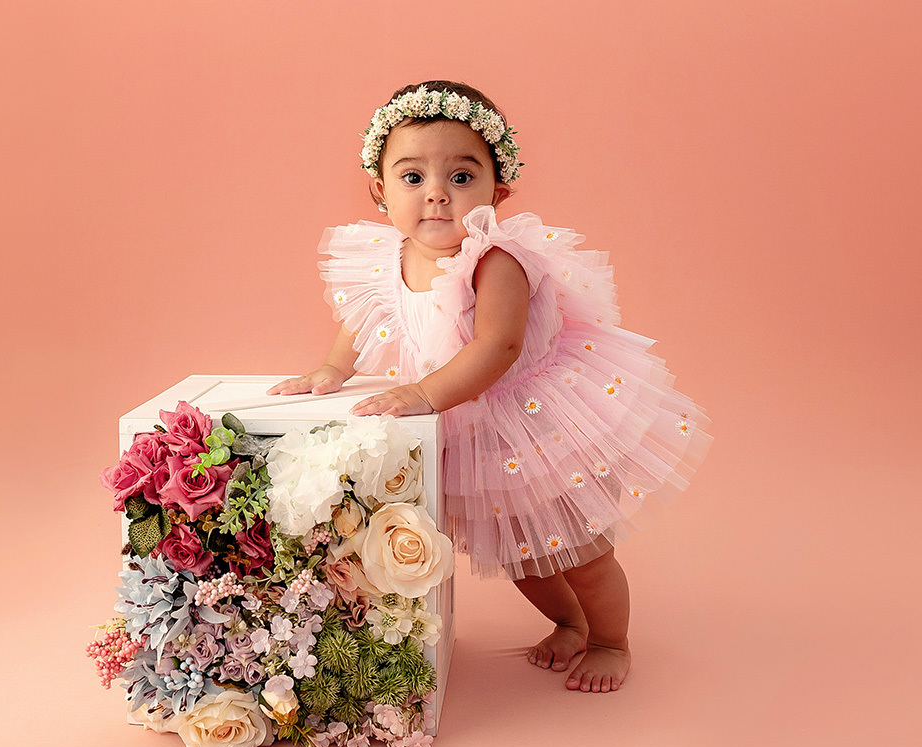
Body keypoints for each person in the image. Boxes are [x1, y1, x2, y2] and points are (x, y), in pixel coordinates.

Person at [268, 81, 712, 693]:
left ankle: (611, 640)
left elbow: (498, 346)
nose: (436, 197)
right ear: (380, 191)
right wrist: (331, 371)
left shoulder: (495, 258)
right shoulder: (387, 257)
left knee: (579, 551)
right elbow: (365, 319)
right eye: (413, 177)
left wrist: (423, 394)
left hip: (535, 420)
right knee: (522, 555)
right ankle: (569, 625)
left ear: (497, 190)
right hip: (471, 424)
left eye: (461, 177)